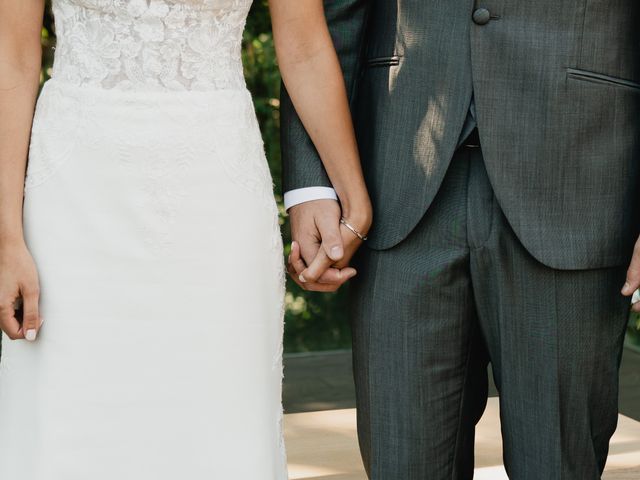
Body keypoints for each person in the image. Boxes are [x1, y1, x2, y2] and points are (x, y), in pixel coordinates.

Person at [0, 1, 368, 478]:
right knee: (67, 423)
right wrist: (7, 234)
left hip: (215, 195)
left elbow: (303, 47)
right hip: (72, 199)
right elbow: (12, 53)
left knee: (215, 427)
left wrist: (352, 194)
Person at [282, 1, 640, 479]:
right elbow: (320, 20)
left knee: (560, 464)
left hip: (579, 177)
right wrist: (314, 182)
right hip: (394, 181)